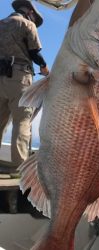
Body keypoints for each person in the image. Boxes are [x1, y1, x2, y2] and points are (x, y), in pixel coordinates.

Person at [0, 0, 49, 169]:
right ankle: (20, 168)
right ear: (30, 11)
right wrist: (44, 67)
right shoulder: (27, 24)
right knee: (22, 121)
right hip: (19, 77)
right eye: (34, 17)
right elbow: (35, 52)